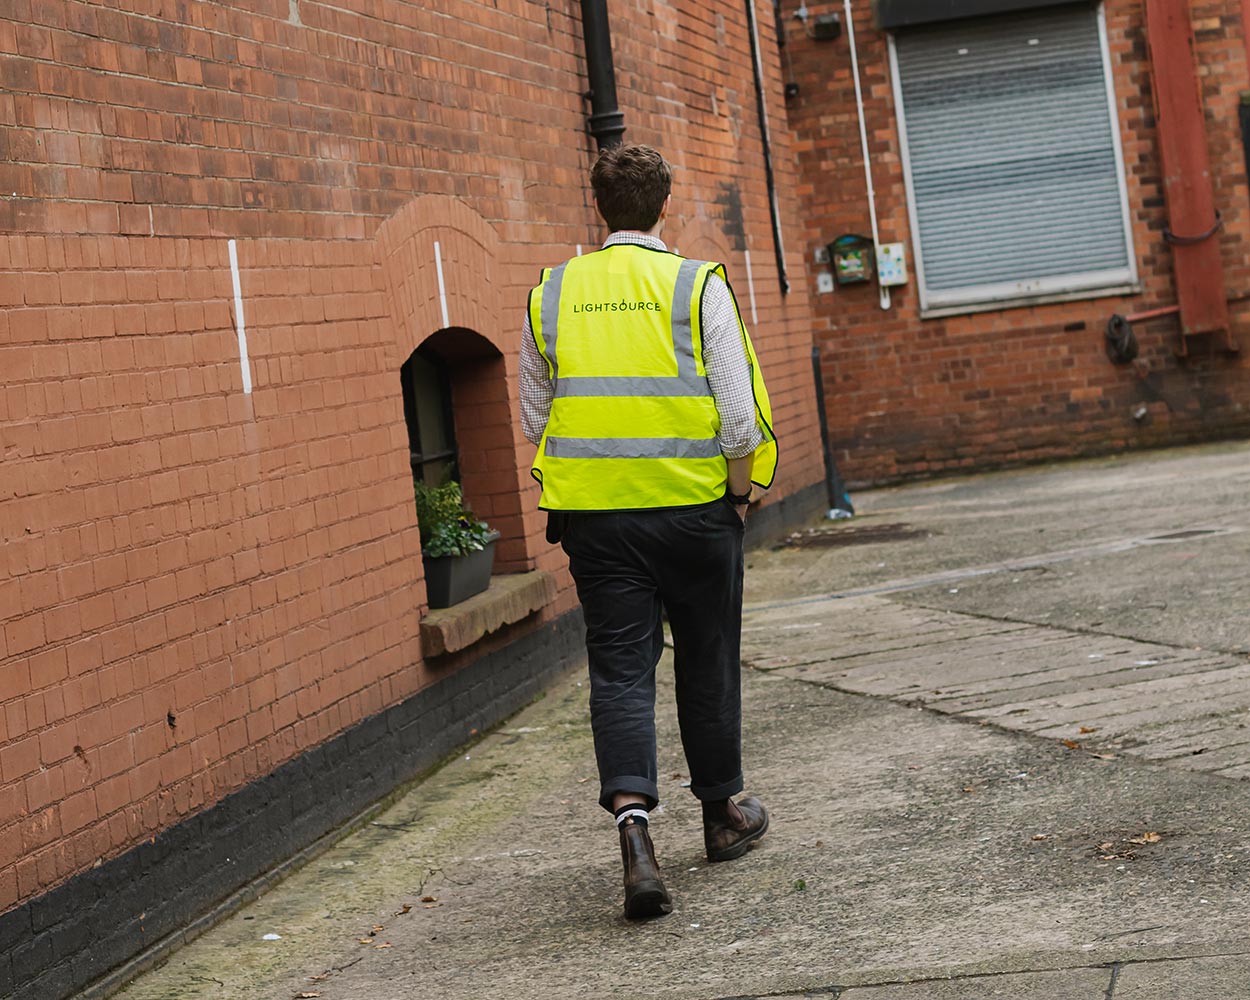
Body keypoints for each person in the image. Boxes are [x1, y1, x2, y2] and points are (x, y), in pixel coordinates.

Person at [518, 143, 778, 919]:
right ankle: (722, 815)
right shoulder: (697, 284)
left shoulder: (552, 292)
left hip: (598, 523)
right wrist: (738, 494)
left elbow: (539, 417)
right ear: (664, 205)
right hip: (696, 513)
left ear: (601, 208)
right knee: (707, 658)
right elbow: (737, 416)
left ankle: (634, 834)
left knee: (620, 672)